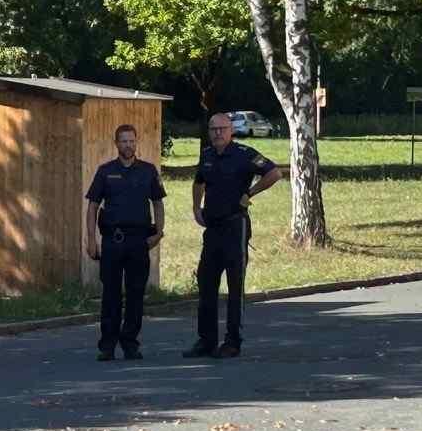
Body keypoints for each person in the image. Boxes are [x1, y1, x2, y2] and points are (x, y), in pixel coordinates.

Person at [187, 111, 282, 359]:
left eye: (222, 129)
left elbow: (274, 173)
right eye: (213, 129)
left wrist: (250, 193)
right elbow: (198, 182)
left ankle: (232, 342)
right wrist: (197, 208)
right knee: (206, 283)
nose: (218, 133)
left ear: (231, 131)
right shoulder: (207, 155)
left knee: (234, 285)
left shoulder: (244, 154)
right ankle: (206, 341)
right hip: (213, 228)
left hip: (235, 226)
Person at [83, 123, 165, 361]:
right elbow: (92, 206)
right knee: (110, 294)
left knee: (136, 293)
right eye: (124, 141)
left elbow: (158, 203)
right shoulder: (105, 171)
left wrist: (159, 232)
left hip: (139, 241)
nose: (128, 145)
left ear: (136, 142)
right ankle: (107, 345)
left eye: (132, 141)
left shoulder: (148, 171)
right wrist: (91, 239)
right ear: (116, 143)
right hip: (112, 241)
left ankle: (130, 343)